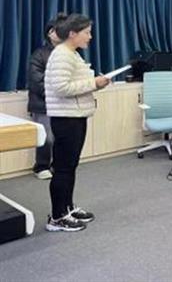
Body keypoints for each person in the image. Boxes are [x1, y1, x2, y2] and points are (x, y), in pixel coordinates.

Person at [44, 13, 110, 232]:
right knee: (63, 168)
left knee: (70, 166)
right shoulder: (62, 55)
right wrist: (94, 83)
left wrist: (96, 83)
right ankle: (57, 218)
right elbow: (61, 88)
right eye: (87, 32)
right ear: (73, 33)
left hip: (75, 116)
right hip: (66, 119)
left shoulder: (72, 54)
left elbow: (76, 83)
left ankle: (67, 208)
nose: (90, 37)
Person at [27, 13, 67, 179]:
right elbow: (36, 80)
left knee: (61, 137)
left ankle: (57, 165)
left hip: (64, 104)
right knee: (47, 137)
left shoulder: (70, 53)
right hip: (43, 103)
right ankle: (41, 166)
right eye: (58, 30)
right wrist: (54, 94)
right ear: (50, 33)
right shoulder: (40, 54)